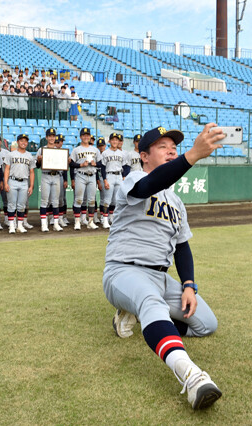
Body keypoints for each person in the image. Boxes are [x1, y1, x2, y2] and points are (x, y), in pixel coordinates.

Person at [103, 124, 225, 410]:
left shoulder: (176, 202)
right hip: (124, 271)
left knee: (206, 323)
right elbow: (150, 185)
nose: (171, 150)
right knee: (150, 303)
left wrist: (189, 286)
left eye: (175, 147)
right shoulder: (133, 179)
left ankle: (137, 316)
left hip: (160, 277)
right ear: (144, 155)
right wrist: (193, 155)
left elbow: (182, 247)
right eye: (162, 147)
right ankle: (192, 376)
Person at [70, 127, 103, 230]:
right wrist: (80, 165)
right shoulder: (76, 150)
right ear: (80, 137)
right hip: (81, 174)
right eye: (84, 135)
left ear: (90, 137)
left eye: (87, 135)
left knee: (92, 200)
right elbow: (71, 163)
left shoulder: (95, 150)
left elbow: (101, 163)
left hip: (92, 175)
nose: (85, 137)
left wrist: (95, 163)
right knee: (79, 199)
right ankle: (77, 222)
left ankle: (91, 222)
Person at [4, 133, 36, 234]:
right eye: (21, 141)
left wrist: (31, 185)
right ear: (17, 142)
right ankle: (12, 226)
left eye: (25, 141)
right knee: (11, 205)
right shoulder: (11, 154)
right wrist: (5, 183)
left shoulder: (29, 155)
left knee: (21, 206)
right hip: (12, 180)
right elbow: (7, 169)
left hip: (24, 182)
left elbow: (31, 172)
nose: (23, 143)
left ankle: (20, 226)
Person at [36, 128, 64, 232]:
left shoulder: (59, 150)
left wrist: (67, 161)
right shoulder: (42, 149)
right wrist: (39, 160)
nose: (52, 138)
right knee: (44, 201)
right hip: (46, 175)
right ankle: (44, 224)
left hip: (56, 175)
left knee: (55, 201)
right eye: (50, 136)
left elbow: (63, 166)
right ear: (46, 137)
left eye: (53, 136)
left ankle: (56, 223)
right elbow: (37, 165)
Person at [100, 133, 125, 228]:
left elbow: (125, 166)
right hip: (109, 175)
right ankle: (105, 220)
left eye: (116, 140)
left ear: (119, 141)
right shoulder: (105, 153)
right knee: (107, 199)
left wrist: (124, 177)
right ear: (109, 141)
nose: (115, 141)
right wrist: (105, 180)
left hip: (119, 176)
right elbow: (102, 167)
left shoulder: (122, 153)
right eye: (113, 140)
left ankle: (112, 218)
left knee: (115, 200)